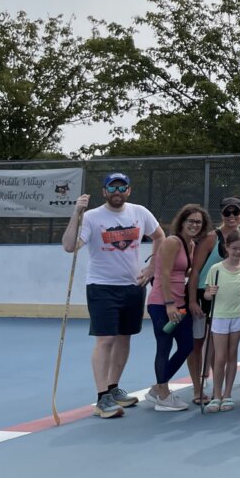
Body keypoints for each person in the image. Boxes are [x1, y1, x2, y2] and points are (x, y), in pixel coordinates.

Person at [62, 173, 164, 419]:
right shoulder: (92, 217)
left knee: (124, 338)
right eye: (112, 187)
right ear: (104, 190)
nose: (117, 191)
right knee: (105, 340)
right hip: (102, 286)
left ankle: (113, 387)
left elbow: (160, 236)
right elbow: (69, 246)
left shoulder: (140, 212)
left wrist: (151, 268)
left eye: (122, 187)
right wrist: (76, 213)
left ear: (129, 190)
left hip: (132, 286)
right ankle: (101, 398)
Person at [146, 203, 209, 412]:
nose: (194, 225)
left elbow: (185, 273)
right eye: (191, 221)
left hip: (180, 304)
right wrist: (169, 304)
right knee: (163, 346)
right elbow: (163, 273)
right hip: (162, 304)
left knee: (187, 345)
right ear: (182, 222)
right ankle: (163, 395)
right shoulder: (172, 242)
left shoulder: (189, 244)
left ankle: (158, 387)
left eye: (198, 222)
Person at [187, 197, 240, 402]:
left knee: (217, 345)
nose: (231, 217)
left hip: (227, 301)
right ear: (221, 214)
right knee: (198, 343)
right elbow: (195, 271)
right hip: (205, 295)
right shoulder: (212, 238)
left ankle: (217, 389)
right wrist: (193, 301)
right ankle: (197, 388)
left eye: (235, 212)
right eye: (227, 212)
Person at [203, 229, 240, 411]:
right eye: (235, 248)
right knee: (220, 357)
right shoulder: (216, 269)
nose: (238, 252)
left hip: (238, 316)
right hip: (219, 316)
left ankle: (227, 395)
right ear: (227, 247)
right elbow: (207, 294)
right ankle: (216, 395)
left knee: (232, 355)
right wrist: (210, 293)